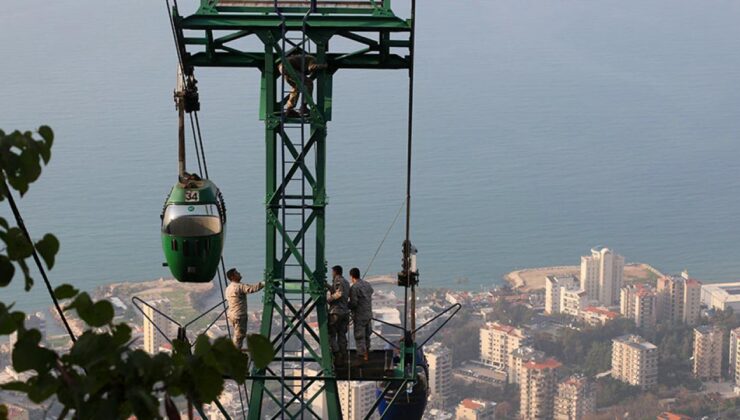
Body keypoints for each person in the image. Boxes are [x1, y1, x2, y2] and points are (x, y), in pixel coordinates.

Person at [278, 51, 328, 116]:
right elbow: (311, 67)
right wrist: (323, 66)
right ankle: (304, 106)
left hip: (282, 67)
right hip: (288, 68)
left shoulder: (305, 58)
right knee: (309, 83)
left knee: (296, 87)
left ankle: (289, 109)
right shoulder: (313, 59)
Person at [225, 268, 264, 349]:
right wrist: (263, 283)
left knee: (237, 334)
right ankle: (235, 352)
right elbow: (252, 289)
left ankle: (235, 349)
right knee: (240, 336)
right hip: (239, 315)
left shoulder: (228, 288)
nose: (239, 273)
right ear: (232, 277)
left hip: (232, 314)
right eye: (236, 273)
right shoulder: (239, 286)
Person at [348, 267, 373, 362]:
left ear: (351, 276)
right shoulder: (367, 284)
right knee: (367, 335)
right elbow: (371, 291)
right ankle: (367, 353)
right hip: (368, 314)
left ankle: (362, 356)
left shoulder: (354, 287)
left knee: (360, 336)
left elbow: (354, 303)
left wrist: (346, 305)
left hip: (359, 315)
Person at [327, 265, 350, 363]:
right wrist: (328, 286)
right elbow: (336, 290)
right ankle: (343, 353)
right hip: (345, 312)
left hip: (336, 311)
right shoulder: (346, 282)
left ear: (335, 272)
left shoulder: (338, 280)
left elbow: (338, 293)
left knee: (331, 334)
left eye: (332, 272)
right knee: (342, 334)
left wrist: (329, 299)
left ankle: (337, 354)